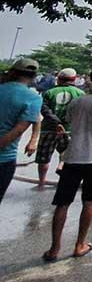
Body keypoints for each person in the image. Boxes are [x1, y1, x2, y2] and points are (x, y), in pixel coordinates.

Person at [43, 64, 92, 261]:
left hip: (73, 156)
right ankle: (80, 244)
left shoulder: (77, 102)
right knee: (89, 201)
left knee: (62, 203)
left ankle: (54, 248)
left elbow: (71, 122)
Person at [26, 68, 83, 187]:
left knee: (44, 158)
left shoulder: (49, 93)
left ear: (58, 79)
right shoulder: (80, 94)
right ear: (74, 79)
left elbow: (44, 110)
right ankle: (61, 170)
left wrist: (56, 122)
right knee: (67, 154)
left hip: (49, 128)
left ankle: (41, 182)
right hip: (69, 129)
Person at [0, 59, 43, 206]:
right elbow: (19, 129)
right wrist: (33, 140)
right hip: (4, 158)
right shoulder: (33, 98)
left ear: (12, 72)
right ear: (34, 76)